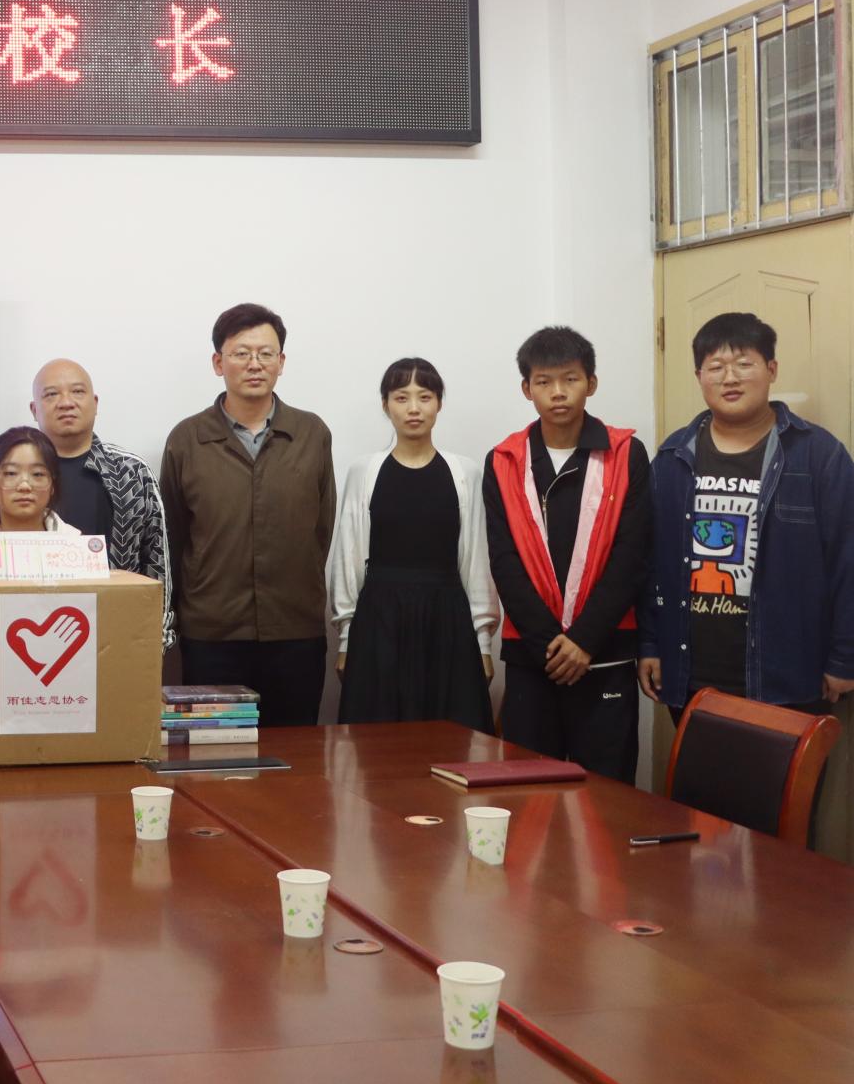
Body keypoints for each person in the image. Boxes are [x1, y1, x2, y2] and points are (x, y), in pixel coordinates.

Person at [638, 313, 854, 858]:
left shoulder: (819, 455)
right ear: (699, 376)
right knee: (704, 825)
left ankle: (786, 916)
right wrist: (650, 643)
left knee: (781, 831)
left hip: (788, 675)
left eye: (743, 363)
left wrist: (844, 658)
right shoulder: (673, 457)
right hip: (694, 674)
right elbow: (652, 561)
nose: (729, 377)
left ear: (771, 369)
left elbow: (848, 561)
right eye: (715, 366)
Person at [483, 326, 650, 783]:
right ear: (527, 388)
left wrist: (584, 641)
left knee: (607, 792)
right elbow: (504, 560)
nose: (558, 392)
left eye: (570, 379)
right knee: (530, 792)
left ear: (591, 383)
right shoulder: (504, 460)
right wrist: (550, 646)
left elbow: (632, 556)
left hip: (605, 651)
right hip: (533, 656)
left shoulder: (625, 453)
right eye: (544, 381)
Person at [159, 304, 336, 726]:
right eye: (241, 353)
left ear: (281, 362)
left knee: (295, 751)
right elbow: (174, 537)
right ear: (218, 363)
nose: (254, 364)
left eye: (265, 353)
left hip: (294, 630)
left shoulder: (311, 434)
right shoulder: (187, 439)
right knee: (214, 753)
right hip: (211, 634)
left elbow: (320, 529)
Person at [326, 358, 498, 731]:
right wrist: (347, 639)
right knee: (374, 743)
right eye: (401, 397)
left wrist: (482, 643)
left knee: (454, 740)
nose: (414, 408)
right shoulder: (364, 471)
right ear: (386, 405)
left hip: (447, 620)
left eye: (425, 397)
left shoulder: (465, 473)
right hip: (378, 621)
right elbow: (347, 557)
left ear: (439, 403)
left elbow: (478, 562)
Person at [30, 358, 170, 638]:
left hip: (119, 633)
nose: (66, 402)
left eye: (77, 392)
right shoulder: (16, 475)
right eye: (52, 394)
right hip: (36, 627)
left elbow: (158, 565)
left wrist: (155, 640)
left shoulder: (133, 472)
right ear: (34, 409)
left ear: (95, 403)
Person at [0, 426, 78, 534]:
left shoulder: (77, 542)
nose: (24, 486)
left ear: (52, 484)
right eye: (11, 473)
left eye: (37, 474)